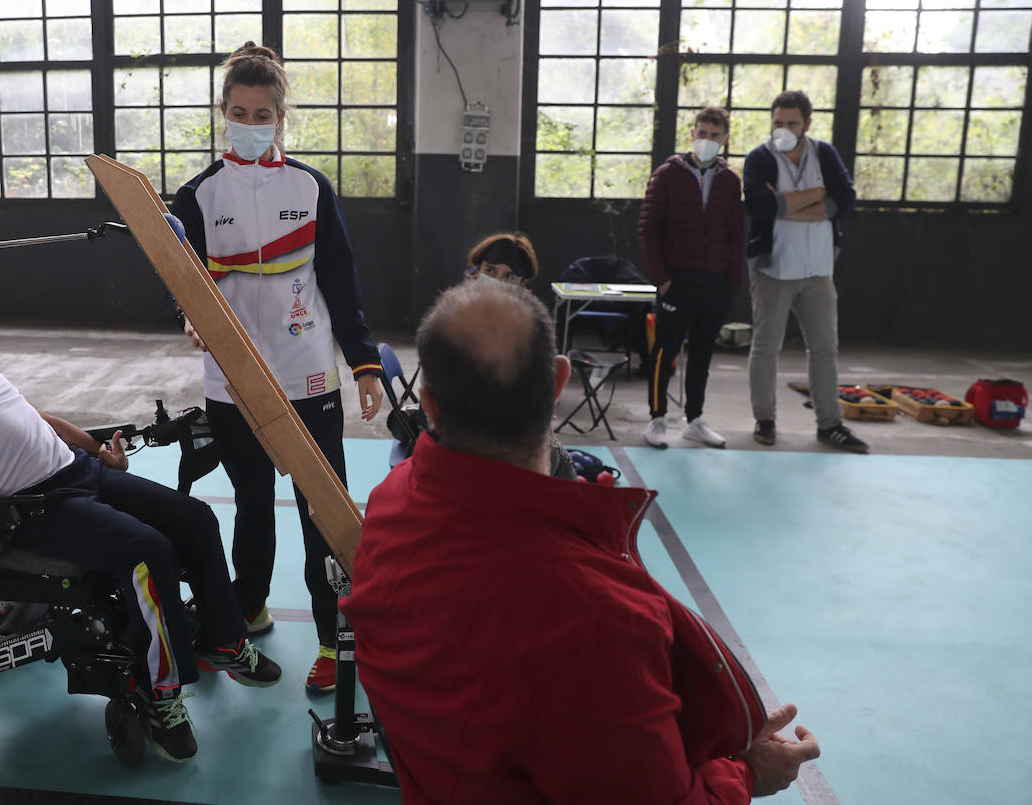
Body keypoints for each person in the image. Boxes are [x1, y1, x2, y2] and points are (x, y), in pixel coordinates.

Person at [340, 282, 822, 803]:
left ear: (430, 406)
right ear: (558, 382)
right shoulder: (597, 617)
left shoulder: (387, 503)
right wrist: (747, 774)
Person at [0, 265, 282, 764]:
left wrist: (96, 450)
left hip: (78, 471)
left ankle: (223, 640)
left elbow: (34, 415)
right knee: (147, 552)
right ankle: (162, 694)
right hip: (30, 507)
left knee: (196, 519)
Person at [170, 42, 386, 695]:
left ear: (280, 117)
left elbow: (341, 279)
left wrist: (365, 363)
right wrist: (189, 316)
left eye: (261, 115)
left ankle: (332, 637)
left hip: (307, 375)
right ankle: (249, 606)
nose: (249, 124)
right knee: (251, 503)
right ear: (223, 113)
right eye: (238, 113)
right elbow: (183, 282)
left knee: (323, 510)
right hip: (232, 380)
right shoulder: (197, 196)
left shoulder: (311, 188)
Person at [743, 90, 868, 453]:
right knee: (766, 348)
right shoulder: (759, 159)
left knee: (825, 348)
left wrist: (786, 206)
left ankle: (830, 424)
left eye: (792, 123)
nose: (783, 129)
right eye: (777, 123)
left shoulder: (824, 153)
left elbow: (845, 200)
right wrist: (817, 195)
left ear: (807, 124)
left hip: (818, 269)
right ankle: (765, 420)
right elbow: (760, 206)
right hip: (773, 268)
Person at [638, 106, 742, 450]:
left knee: (702, 354)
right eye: (702, 133)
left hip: (715, 283)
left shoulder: (730, 181)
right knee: (664, 352)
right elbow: (647, 230)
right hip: (676, 280)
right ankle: (657, 418)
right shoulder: (667, 175)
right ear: (693, 134)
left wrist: (731, 282)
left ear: (724, 139)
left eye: (715, 135)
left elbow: (735, 233)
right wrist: (662, 280)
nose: (707, 140)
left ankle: (694, 420)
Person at [462, 231, 538, 287]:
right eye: (490, 271)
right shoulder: (457, 302)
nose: (497, 281)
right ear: (477, 270)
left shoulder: (529, 305)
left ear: (522, 284)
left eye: (508, 277)